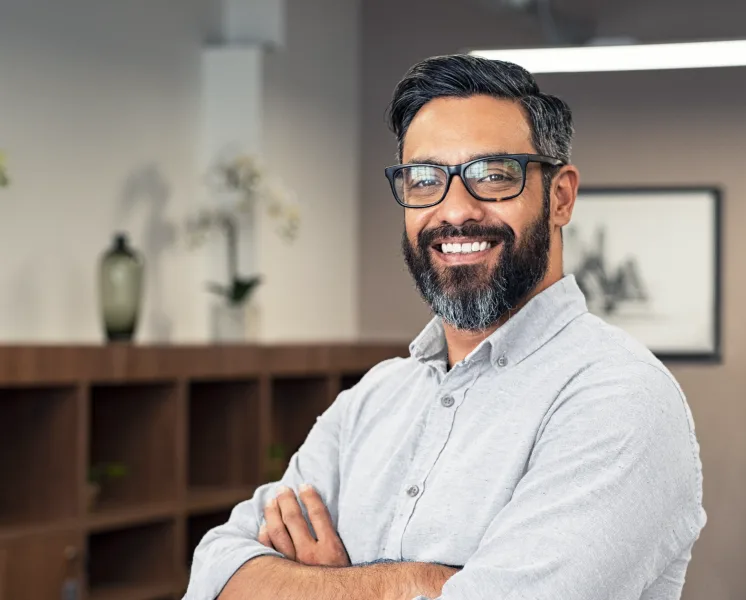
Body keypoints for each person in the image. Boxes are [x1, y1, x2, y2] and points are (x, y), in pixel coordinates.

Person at [184, 53, 707, 600]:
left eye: (493, 176)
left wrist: (326, 585)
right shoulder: (371, 401)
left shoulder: (619, 398)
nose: (454, 210)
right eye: (424, 179)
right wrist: (415, 583)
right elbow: (214, 576)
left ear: (560, 196)